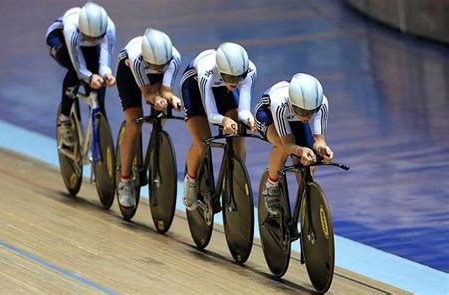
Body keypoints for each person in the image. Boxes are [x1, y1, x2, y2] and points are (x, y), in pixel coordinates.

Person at [180, 42, 257, 211]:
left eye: (239, 77)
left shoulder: (248, 71)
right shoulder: (206, 71)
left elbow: (244, 110)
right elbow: (212, 115)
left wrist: (249, 118)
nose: (236, 82)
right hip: (194, 89)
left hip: (222, 90)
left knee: (238, 136)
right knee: (202, 143)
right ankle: (191, 180)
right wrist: (224, 121)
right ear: (220, 70)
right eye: (231, 78)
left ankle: (233, 178)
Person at [116, 28, 182, 208]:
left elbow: (167, 92)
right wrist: (155, 98)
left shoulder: (174, 58)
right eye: (157, 65)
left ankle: (156, 139)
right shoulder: (136, 58)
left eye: (163, 65)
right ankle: (125, 180)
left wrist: (173, 99)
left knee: (162, 107)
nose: (160, 68)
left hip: (152, 73)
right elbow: (147, 94)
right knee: (134, 122)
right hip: (129, 74)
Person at [254, 73, 333, 215]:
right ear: (292, 103)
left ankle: (305, 203)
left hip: (293, 119)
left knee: (308, 163)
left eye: (311, 112)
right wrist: (299, 150)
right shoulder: (280, 102)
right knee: (282, 146)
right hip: (268, 115)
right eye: (303, 111)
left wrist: (322, 148)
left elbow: (319, 140)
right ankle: (271, 186)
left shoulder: (321, 103)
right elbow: (288, 144)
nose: (307, 116)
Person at [46, 2, 116, 146]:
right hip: (60, 39)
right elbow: (78, 65)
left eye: (96, 37)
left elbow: (105, 61)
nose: (93, 40)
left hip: (85, 44)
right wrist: (89, 77)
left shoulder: (109, 28)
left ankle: (100, 121)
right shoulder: (72, 28)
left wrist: (107, 74)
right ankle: (64, 118)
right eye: (89, 37)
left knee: (98, 78)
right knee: (75, 71)